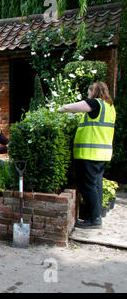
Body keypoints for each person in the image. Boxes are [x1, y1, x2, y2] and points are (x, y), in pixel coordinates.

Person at [57, 81, 116, 229]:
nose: (88, 95)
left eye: (89, 92)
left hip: (90, 153)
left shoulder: (95, 104)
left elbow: (75, 107)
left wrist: (61, 109)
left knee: (88, 186)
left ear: (94, 92)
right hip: (102, 153)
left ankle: (94, 219)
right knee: (96, 184)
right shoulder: (109, 107)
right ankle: (95, 215)